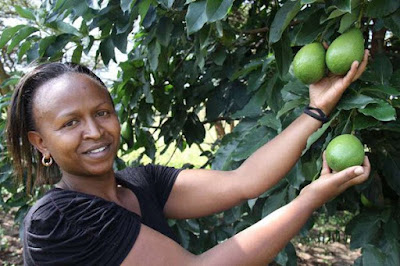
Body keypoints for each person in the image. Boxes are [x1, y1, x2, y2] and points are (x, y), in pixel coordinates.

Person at [6, 50, 370, 265]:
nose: (95, 131)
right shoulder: (57, 221)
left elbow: (244, 181)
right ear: (40, 142)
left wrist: (316, 108)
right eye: (70, 123)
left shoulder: (138, 182)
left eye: (102, 113)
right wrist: (309, 199)